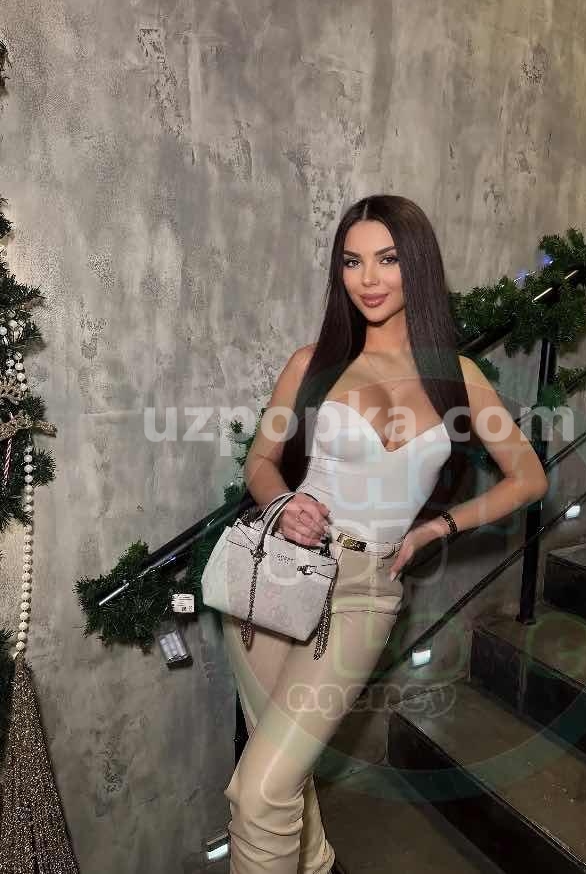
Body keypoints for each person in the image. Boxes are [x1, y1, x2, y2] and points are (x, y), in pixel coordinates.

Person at [221, 194, 549, 873]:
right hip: (278, 576)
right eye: (352, 262)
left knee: (260, 790)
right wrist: (283, 501)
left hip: (366, 592)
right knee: (278, 783)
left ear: (416, 266)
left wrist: (438, 527)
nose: (367, 278)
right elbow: (259, 461)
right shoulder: (311, 364)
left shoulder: (458, 378)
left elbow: (528, 478)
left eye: (387, 259)